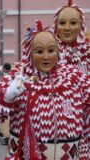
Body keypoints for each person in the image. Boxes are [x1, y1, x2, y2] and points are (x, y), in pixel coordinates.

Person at [0, 21, 89, 159]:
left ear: (58, 52)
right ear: (30, 53)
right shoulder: (18, 77)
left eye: (51, 50)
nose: (46, 57)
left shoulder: (75, 77)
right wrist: (7, 96)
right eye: (39, 51)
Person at [54, 1, 90, 158]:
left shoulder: (88, 51)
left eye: (73, 23)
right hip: (54, 119)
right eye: (62, 23)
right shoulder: (47, 50)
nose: (67, 28)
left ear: (81, 25)